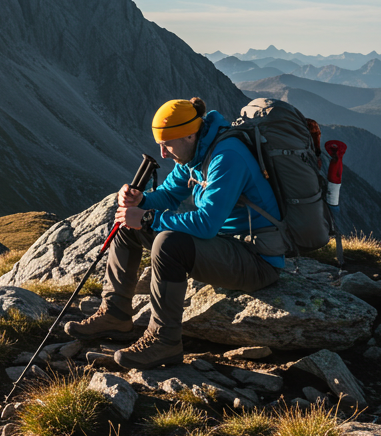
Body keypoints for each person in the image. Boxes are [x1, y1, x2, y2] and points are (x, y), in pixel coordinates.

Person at [64, 97, 283, 369]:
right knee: (127, 224)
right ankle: (115, 314)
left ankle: (164, 341)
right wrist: (141, 201)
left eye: (167, 144)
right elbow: (168, 195)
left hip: (257, 259)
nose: (163, 153)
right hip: (226, 246)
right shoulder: (196, 152)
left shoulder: (227, 157)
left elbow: (206, 223)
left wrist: (148, 218)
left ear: (190, 135)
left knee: (168, 243)